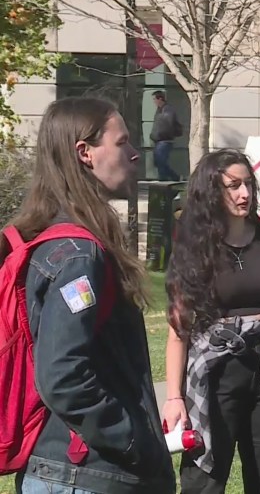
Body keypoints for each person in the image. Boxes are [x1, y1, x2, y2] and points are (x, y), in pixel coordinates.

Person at [0, 97, 176, 493]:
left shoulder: (53, 242)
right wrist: (131, 438)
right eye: (122, 142)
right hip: (83, 473)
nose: (134, 154)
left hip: (65, 470)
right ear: (85, 153)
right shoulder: (79, 256)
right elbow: (63, 375)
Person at [162, 148, 260, 494]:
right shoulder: (194, 246)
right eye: (233, 186)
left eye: (247, 185)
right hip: (215, 376)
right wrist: (174, 398)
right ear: (211, 190)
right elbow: (178, 331)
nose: (244, 194)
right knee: (205, 480)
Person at [150, 90, 181, 181]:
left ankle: (166, 179)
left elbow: (166, 125)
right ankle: (173, 177)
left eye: (155, 99)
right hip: (159, 140)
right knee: (159, 162)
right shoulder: (160, 110)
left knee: (161, 161)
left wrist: (158, 135)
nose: (154, 102)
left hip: (164, 140)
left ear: (160, 99)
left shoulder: (167, 110)